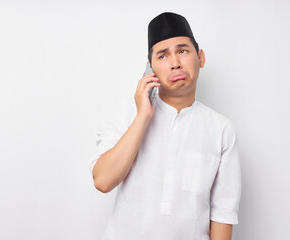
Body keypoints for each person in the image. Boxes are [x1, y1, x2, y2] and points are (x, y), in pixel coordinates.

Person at [88, 12, 241, 240]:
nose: (175, 63)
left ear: (200, 57)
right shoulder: (125, 113)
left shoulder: (220, 129)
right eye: (163, 56)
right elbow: (102, 181)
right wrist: (142, 117)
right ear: (150, 68)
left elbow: (222, 214)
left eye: (182, 51)